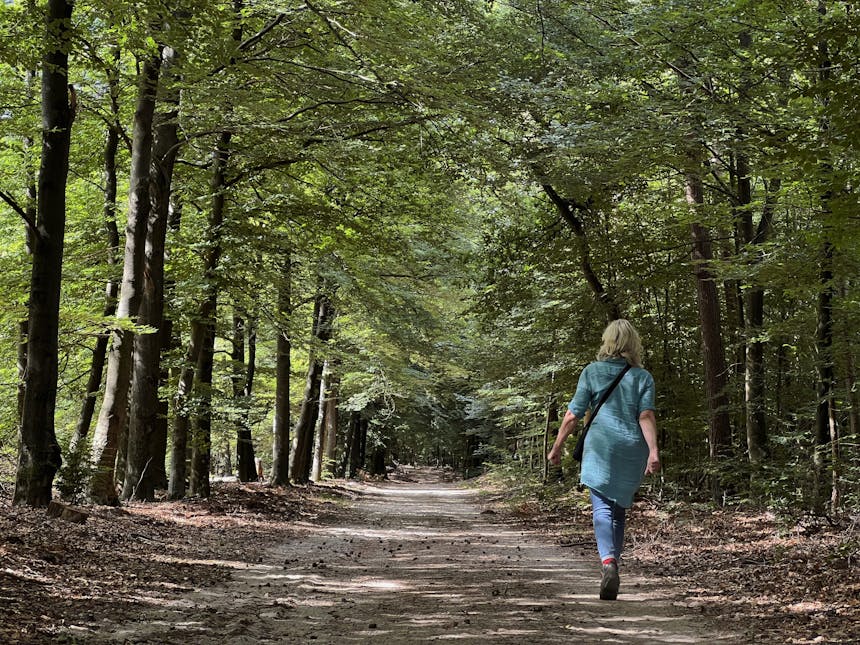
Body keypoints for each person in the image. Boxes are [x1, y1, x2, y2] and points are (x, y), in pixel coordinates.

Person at [547, 319, 660, 601]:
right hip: (633, 447)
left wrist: (557, 446)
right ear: (633, 343)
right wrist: (654, 451)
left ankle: (608, 563)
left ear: (607, 342)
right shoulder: (642, 377)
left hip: (600, 446)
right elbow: (645, 416)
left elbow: (573, 414)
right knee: (619, 508)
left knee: (602, 508)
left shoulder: (592, 372)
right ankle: (613, 564)